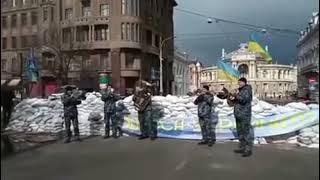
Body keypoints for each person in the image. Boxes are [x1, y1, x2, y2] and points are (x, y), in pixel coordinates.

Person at [229, 77, 254, 157]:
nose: (238, 84)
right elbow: (237, 101)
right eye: (238, 82)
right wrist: (231, 97)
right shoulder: (240, 90)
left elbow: (244, 99)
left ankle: (248, 150)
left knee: (245, 132)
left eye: (240, 82)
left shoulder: (247, 90)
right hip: (238, 114)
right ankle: (242, 148)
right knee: (240, 132)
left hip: (244, 115)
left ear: (244, 82)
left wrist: (235, 95)